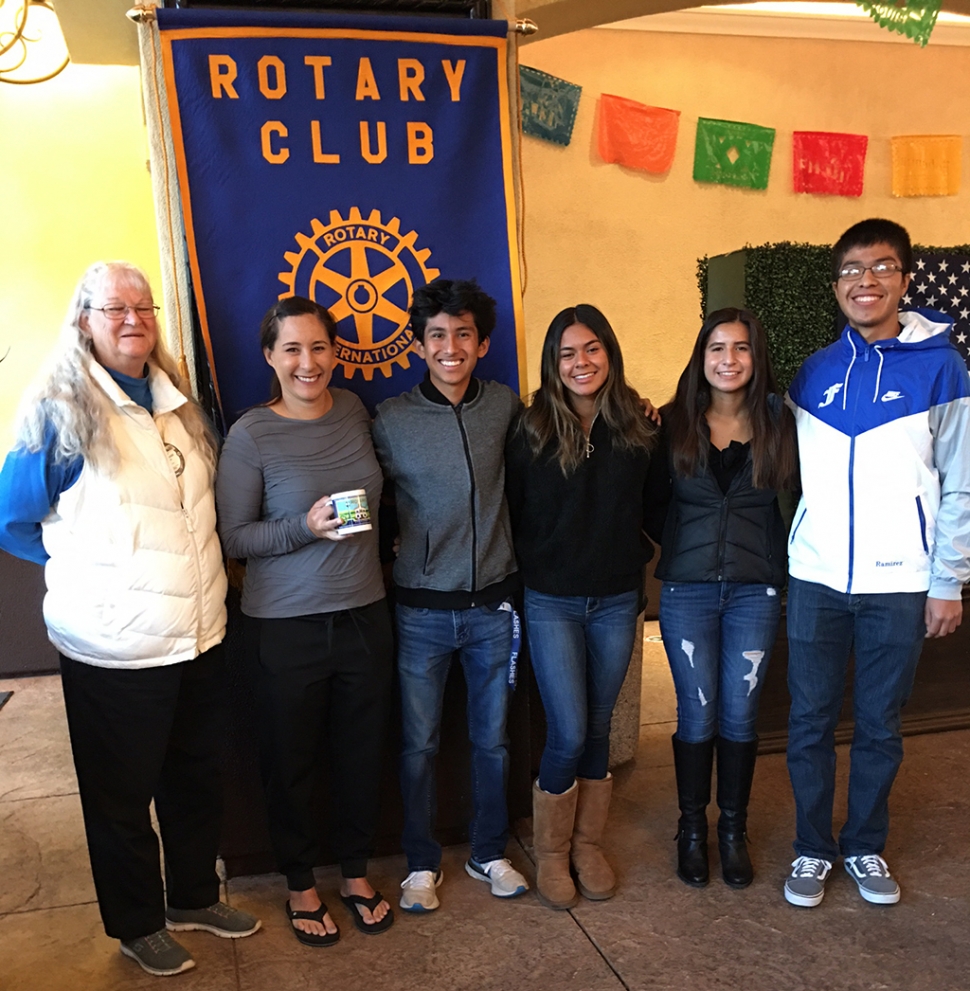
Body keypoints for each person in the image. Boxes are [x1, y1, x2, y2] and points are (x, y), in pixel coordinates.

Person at [0, 261, 260, 978]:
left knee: (194, 778)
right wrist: (91, 574)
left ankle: (194, 896)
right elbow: (13, 519)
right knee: (121, 797)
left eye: (142, 307)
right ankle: (138, 922)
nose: (132, 320)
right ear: (83, 318)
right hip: (113, 646)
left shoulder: (177, 402)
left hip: (200, 633)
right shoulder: (57, 407)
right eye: (114, 308)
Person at [783, 219, 970, 908]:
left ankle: (863, 844)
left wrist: (947, 580)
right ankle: (810, 848)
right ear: (836, 286)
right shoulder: (814, 371)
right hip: (816, 579)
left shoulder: (944, 368)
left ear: (905, 278)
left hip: (900, 581)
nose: (866, 281)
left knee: (880, 724)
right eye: (852, 271)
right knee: (807, 721)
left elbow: (962, 483)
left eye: (881, 267)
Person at [216, 296, 394, 944]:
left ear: (336, 351)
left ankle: (353, 872)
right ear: (270, 356)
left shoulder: (353, 410)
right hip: (284, 628)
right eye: (291, 349)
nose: (307, 362)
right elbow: (234, 536)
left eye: (318, 347)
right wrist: (303, 526)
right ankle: (299, 882)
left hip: (364, 617)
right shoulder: (251, 433)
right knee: (290, 764)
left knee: (360, 756)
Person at [372, 278, 529, 912]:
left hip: (495, 606)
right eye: (437, 334)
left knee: (492, 740)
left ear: (482, 342)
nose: (450, 346)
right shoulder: (390, 419)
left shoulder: (506, 408)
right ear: (419, 345)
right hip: (421, 612)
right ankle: (419, 864)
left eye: (463, 333)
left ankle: (490, 852)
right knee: (419, 744)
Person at [505, 304, 657, 910]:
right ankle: (550, 850)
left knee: (599, 724)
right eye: (567, 353)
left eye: (592, 349)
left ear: (610, 354)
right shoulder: (530, 428)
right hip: (552, 602)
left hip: (618, 598)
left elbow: (654, 503)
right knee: (567, 729)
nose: (581, 363)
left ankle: (588, 844)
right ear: (552, 363)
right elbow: (513, 510)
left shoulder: (640, 427)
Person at [648, 307, 798, 890]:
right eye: (717, 348)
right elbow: (650, 503)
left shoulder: (781, 424)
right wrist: (688, 546)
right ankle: (691, 831)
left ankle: (732, 831)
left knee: (739, 714)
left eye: (740, 349)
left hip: (755, 590)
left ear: (755, 359)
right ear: (701, 356)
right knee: (697, 712)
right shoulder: (669, 424)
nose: (728, 360)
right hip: (686, 591)